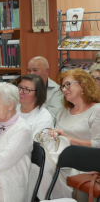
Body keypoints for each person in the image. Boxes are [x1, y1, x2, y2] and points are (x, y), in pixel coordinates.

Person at [37, 68, 100, 200]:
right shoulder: (63, 111)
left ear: (83, 84)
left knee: (42, 163)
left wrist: (69, 140)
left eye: (68, 84)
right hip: (58, 160)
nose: (64, 89)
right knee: (36, 162)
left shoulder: (96, 110)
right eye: (62, 86)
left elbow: (98, 146)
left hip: (83, 165)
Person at [26, 56, 63, 120]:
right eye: (29, 71)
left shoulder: (57, 90)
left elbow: (53, 117)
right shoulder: (22, 89)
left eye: (35, 70)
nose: (31, 74)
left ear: (47, 71)